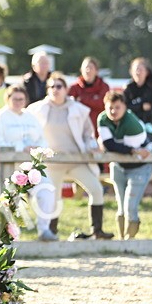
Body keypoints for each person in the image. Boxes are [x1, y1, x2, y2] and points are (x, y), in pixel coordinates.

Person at [27, 74, 113, 240]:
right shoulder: (36, 109)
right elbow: (29, 131)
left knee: (96, 189)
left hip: (75, 160)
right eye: (52, 86)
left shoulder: (78, 109)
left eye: (59, 86)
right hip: (51, 163)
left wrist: (92, 146)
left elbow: (88, 134)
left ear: (66, 89)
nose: (55, 90)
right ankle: (50, 233)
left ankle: (97, 231)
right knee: (53, 197)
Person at [0, 84, 49, 238]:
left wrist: (39, 150)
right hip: (8, 168)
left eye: (22, 99)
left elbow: (42, 139)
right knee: (11, 203)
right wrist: (20, 147)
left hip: (30, 167)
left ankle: (44, 230)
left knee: (46, 192)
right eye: (15, 98)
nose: (19, 102)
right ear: (8, 99)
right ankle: (8, 241)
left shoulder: (31, 117)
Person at [98, 91, 152, 240]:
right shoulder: (103, 119)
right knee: (121, 207)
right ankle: (123, 240)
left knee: (130, 205)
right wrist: (130, 150)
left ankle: (130, 240)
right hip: (118, 166)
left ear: (124, 107)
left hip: (139, 168)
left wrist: (127, 150)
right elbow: (111, 146)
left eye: (117, 107)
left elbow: (116, 148)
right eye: (110, 108)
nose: (113, 111)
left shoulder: (133, 124)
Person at [68, 57, 111, 126]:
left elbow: (102, 104)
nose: (88, 70)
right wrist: (93, 99)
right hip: (80, 126)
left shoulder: (104, 87)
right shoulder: (74, 88)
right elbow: (70, 106)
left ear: (96, 71)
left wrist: (81, 99)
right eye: (86, 68)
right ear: (81, 70)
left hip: (99, 127)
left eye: (91, 68)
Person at [124, 57, 152, 139]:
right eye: (136, 69)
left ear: (147, 72)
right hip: (131, 124)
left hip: (148, 124)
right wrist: (141, 106)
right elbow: (125, 108)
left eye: (141, 69)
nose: (138, 72)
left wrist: (135, 106)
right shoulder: (128, 88)